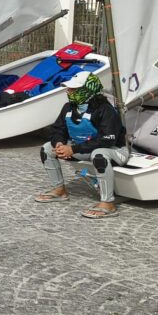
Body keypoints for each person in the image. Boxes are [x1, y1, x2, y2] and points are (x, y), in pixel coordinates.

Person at [35, 71, 129, 218]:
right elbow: (57, 129)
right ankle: (59, 191)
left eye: (74, 89)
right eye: (69, 88)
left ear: (88, 90)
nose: (69, 91)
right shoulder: (68, 108)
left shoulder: (106, 110)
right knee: (47, 149)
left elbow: (107, 140)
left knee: (99, 155)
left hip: (115, 151)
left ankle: (108, 204)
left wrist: (73, 149)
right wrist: (59, 143)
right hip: (83, 149)